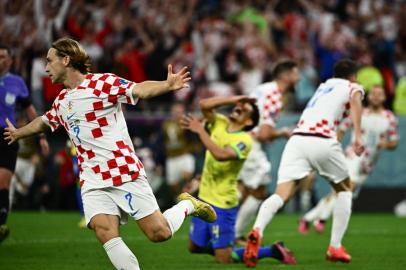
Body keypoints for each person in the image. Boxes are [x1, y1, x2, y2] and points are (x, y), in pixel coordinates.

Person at [3, 37, 216, 270]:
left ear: (66, 60)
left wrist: (166, 85)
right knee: (104, 231)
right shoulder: (62, 101)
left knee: (159, 233)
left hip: (122, 171)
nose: (45, 68)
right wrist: (18, 133)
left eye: (49, 61)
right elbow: (43, 122)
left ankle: (187, 206)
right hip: (92, 179)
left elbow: (138, 89)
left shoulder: (103, 84)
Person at [243, 59, 365, 267]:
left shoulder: (323, 87)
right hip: (322, 139)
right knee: (345, 189)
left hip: (297, 141)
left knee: (281, 194)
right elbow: (355, 99)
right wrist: (358, 137)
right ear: (353, 76)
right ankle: (335, 246)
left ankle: (257, 230)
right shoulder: (352, 86)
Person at [181, 95, 296, 265]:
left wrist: (201, 131)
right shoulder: (220, 121)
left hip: (223, 203)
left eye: (245, 109)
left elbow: (221, 155)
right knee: (194, 247)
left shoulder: (244, 140)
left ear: (248, 122)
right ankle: (225, 246)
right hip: (203, 197)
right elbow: (204, 103)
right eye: (239, 106)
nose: (239, 107)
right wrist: (236, 99)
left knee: (224, 260)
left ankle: (272, 251)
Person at [299, 85, 399, 233]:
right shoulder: (359, 112)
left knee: (339, 192)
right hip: (353, 156)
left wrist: (386, 144)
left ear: (385, 97)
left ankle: (307, 218)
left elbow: (394, 142)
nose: (376, 97)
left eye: (380, 94)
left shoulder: (389, 117)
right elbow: (342, 128)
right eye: (373, 93)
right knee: (347, 187)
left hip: (368, 163)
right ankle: (322, 219)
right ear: (368, 96)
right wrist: (335, 144)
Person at [235, 60, 300, 245]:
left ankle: (221, 229)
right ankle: (234, 233)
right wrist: (283, 132)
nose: (299, 78)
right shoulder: (274, 96)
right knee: (259, 188)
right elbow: (264, 134)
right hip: (249, 142)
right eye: (295, 74)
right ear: (285, 76)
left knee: (242, 188)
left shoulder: (262, 88)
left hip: (235, 138)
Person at [0, 44, 49, 243]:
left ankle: (1, 224)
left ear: (10, 61)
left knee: (3, 181)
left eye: (3, 56)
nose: (0, 59)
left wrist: (42, 136)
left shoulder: (17, 82)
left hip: (7, 136)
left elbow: (30, 110)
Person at [162, 102, 195, 199]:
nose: (178, 114)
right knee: (173, 185)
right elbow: (162, 141)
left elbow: (193, 137)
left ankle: (190, 199)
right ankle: (178, 199)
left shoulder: (186, 123)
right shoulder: (166, 125)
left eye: (180, 112)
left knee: (187, 175)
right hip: (172, 158)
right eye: (176, 112)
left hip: (184, 155)